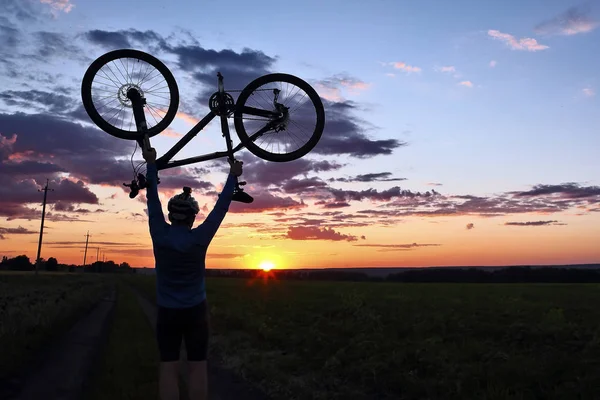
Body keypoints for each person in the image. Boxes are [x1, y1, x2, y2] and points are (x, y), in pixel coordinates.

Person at [142, 144, 243, 400]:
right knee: (198, 366)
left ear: (171, 215)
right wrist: (233, 175)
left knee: (168, 366)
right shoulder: (200, 237)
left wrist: (151, 164)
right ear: (192, 218)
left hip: (167, 312)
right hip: (196, 311)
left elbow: (151, 198)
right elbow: (221, 209)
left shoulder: (159, 232)